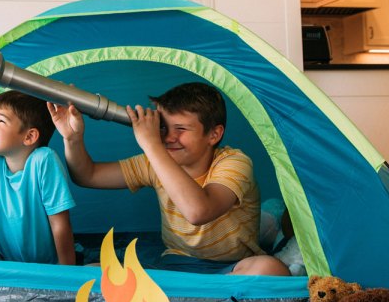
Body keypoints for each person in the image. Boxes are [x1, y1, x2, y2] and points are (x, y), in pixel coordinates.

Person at [48, 82, 290, 276]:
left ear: (214, 134)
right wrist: (72, 139)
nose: (169, 137)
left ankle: (199, 298)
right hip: (175, 266)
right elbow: (86, 175)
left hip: (230, 268)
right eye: (163, 128)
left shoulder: (234, 162)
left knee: (270, 269)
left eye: (181, 129)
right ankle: (198, 299)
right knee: (93, 273)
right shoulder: (156, 160)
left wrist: (152, 145)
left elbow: (198, 211)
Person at [0, 91, 77, 265]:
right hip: (7, 262)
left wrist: (67, 273)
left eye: (1, 121)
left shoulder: (43, 160)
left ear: (29, 136)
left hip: (50, 265)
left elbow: (60, 224)